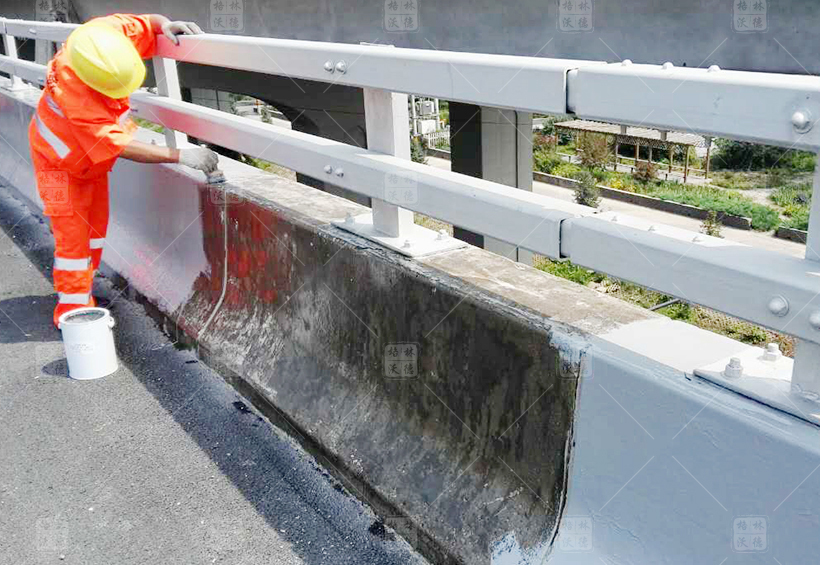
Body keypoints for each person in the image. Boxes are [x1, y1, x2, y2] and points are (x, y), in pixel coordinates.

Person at [28, 14, 219, 327]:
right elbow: (119, 146)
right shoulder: (78, 99)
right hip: (55, 168)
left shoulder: (101, 36)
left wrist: (163, 24)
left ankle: (84, 293)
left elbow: (145, 23)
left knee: (94, 232)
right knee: (72, 239)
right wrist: (180, 155)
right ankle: (72, 311)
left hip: (88, 165)